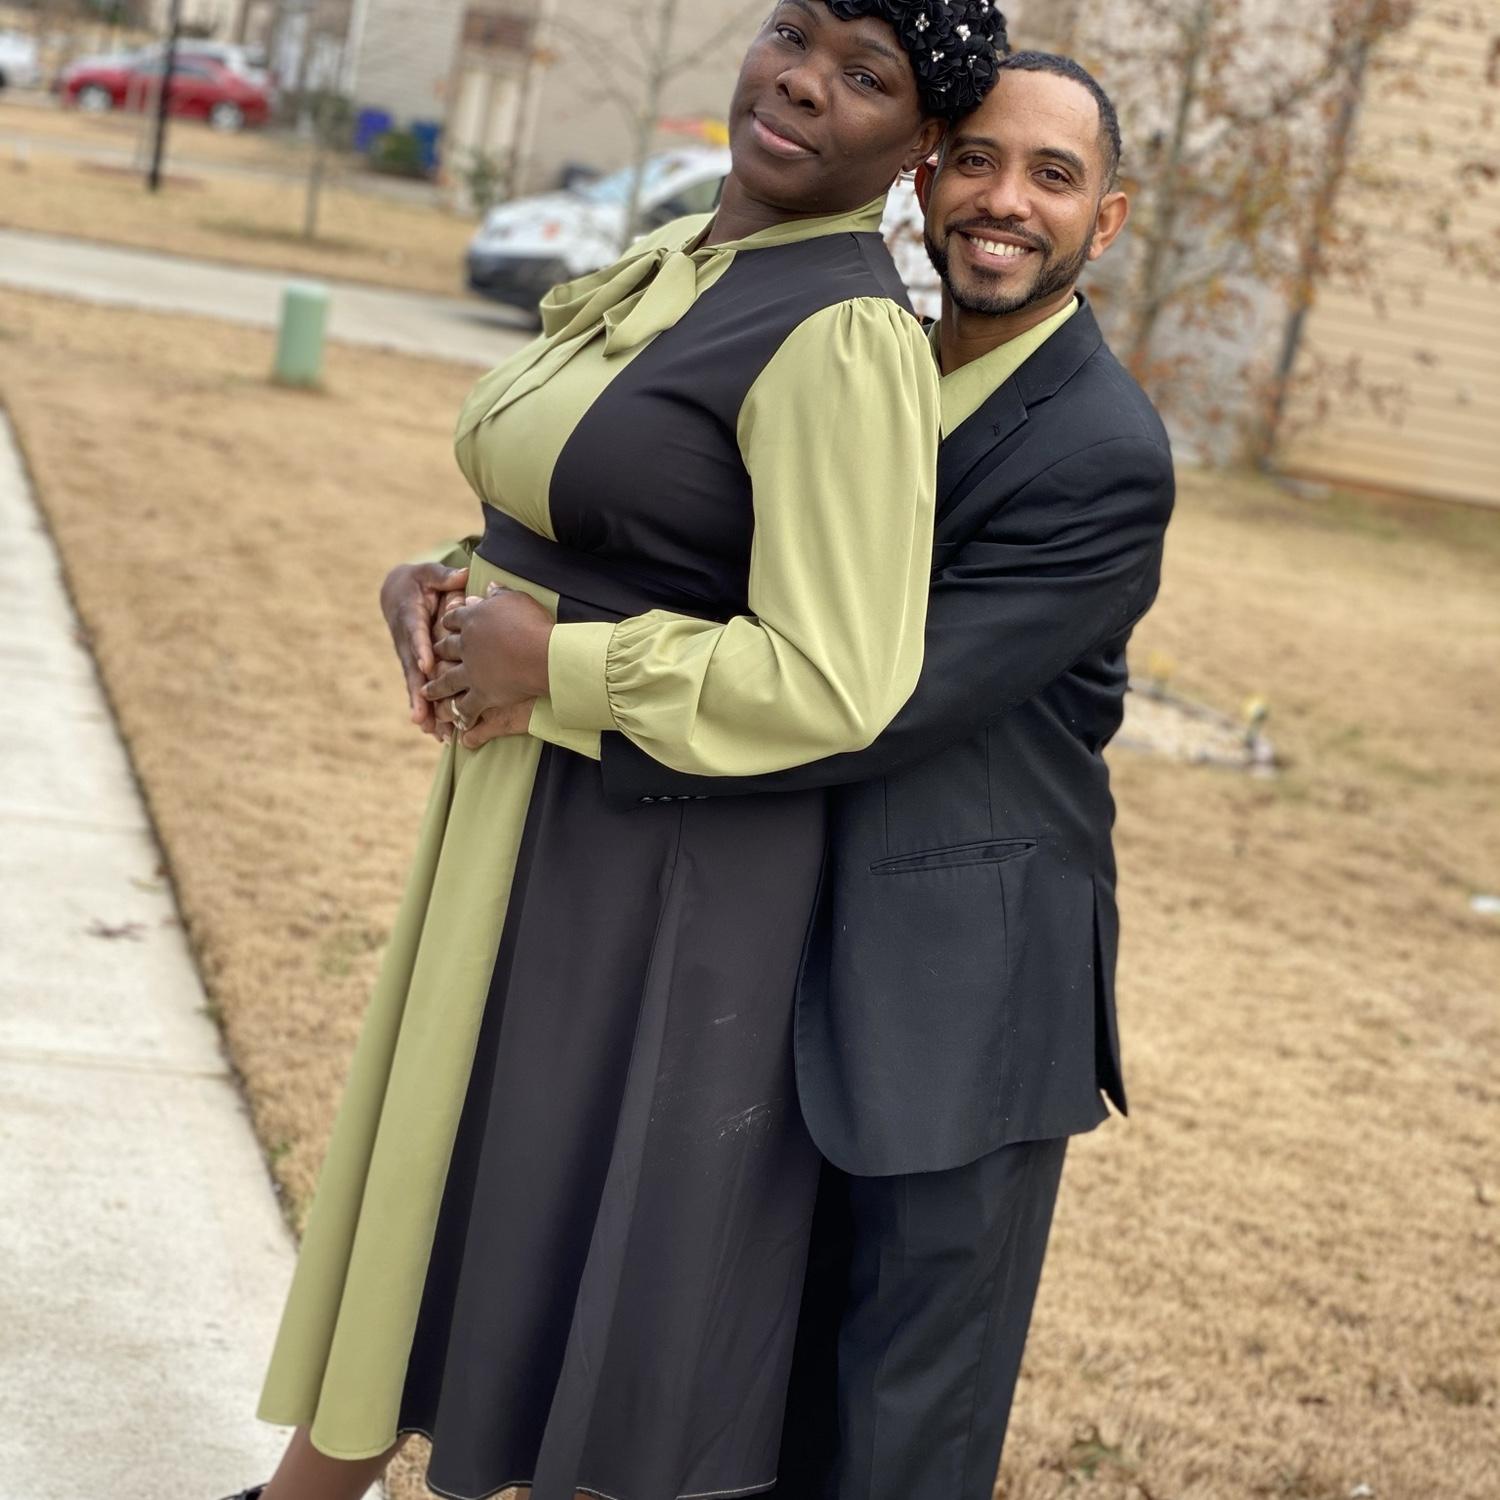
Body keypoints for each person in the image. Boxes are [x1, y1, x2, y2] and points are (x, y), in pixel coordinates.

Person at [222, 7, 1011, 1500]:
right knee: (438, 1164)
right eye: (796, 32)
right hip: (525, 801)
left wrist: (558, 664)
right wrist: (443, 577)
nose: (802, 81)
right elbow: (604, 517)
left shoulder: (841, 335)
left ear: (916, 146)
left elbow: (836, 677)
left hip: (650, 855)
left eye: (865, 77)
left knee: (550, 1216)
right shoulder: (689, 261)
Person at [440, 51, 1173, 1500]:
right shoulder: (851, 351)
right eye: (977, 161)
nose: (1004, 202)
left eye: (1052, 177)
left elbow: (872, 700)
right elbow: (691, 552)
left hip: (951, 999)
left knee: (895, 1426)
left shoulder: (1102, 453)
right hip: (765, 948)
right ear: (923, 173)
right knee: (726, 1408)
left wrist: (557, 668)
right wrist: (465, 581)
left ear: (1106, 219)